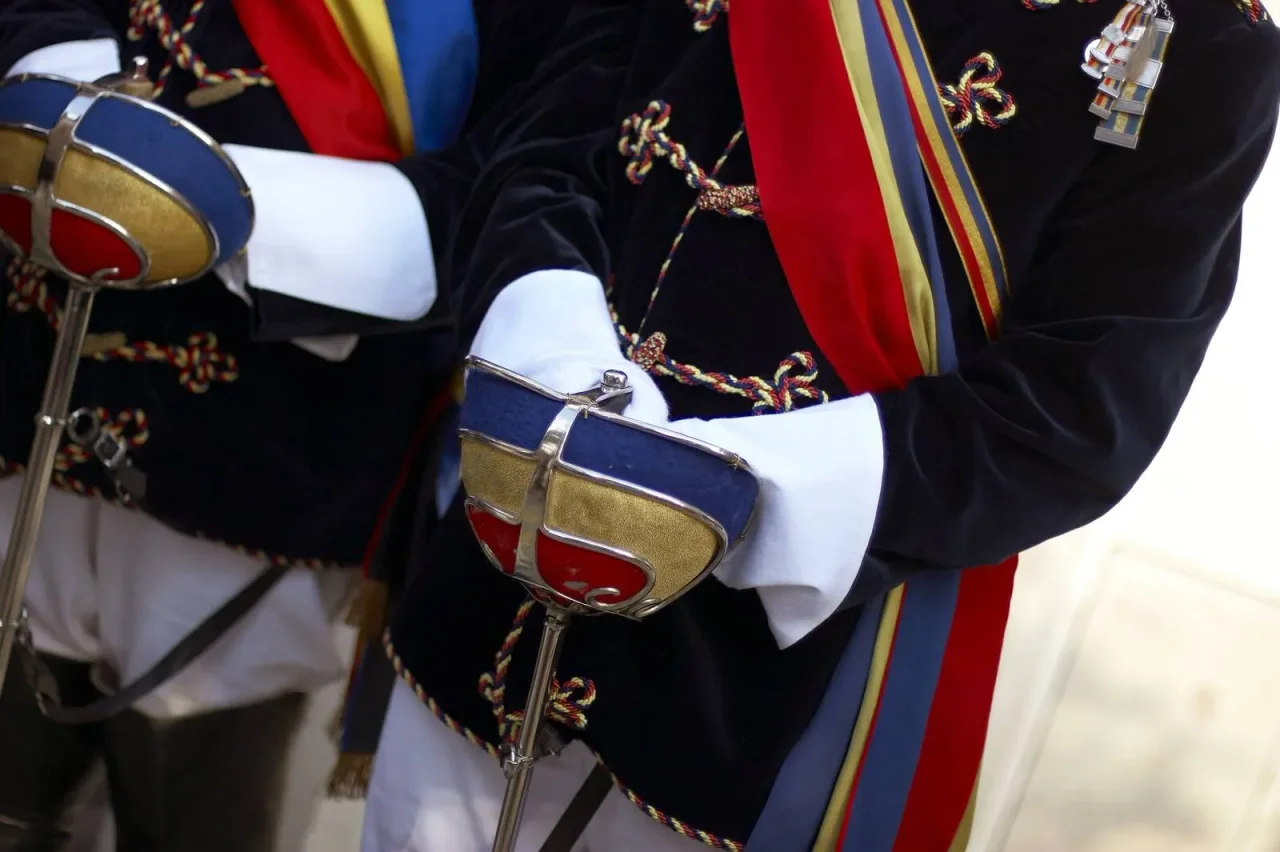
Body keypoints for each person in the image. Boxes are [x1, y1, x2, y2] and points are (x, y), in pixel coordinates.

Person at [353, 0, 1280, 849]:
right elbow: (545, 150)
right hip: (497, 574)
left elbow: (1079, 414)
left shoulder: (1199, 42)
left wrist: (712, 490)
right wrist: (558, 371)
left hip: (764, 687)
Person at [0, 0, 574, 848]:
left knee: (197, 805)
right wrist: (50, 60)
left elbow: (535, 168)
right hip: (32, 368)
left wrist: (211, 201)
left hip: (267, 443)